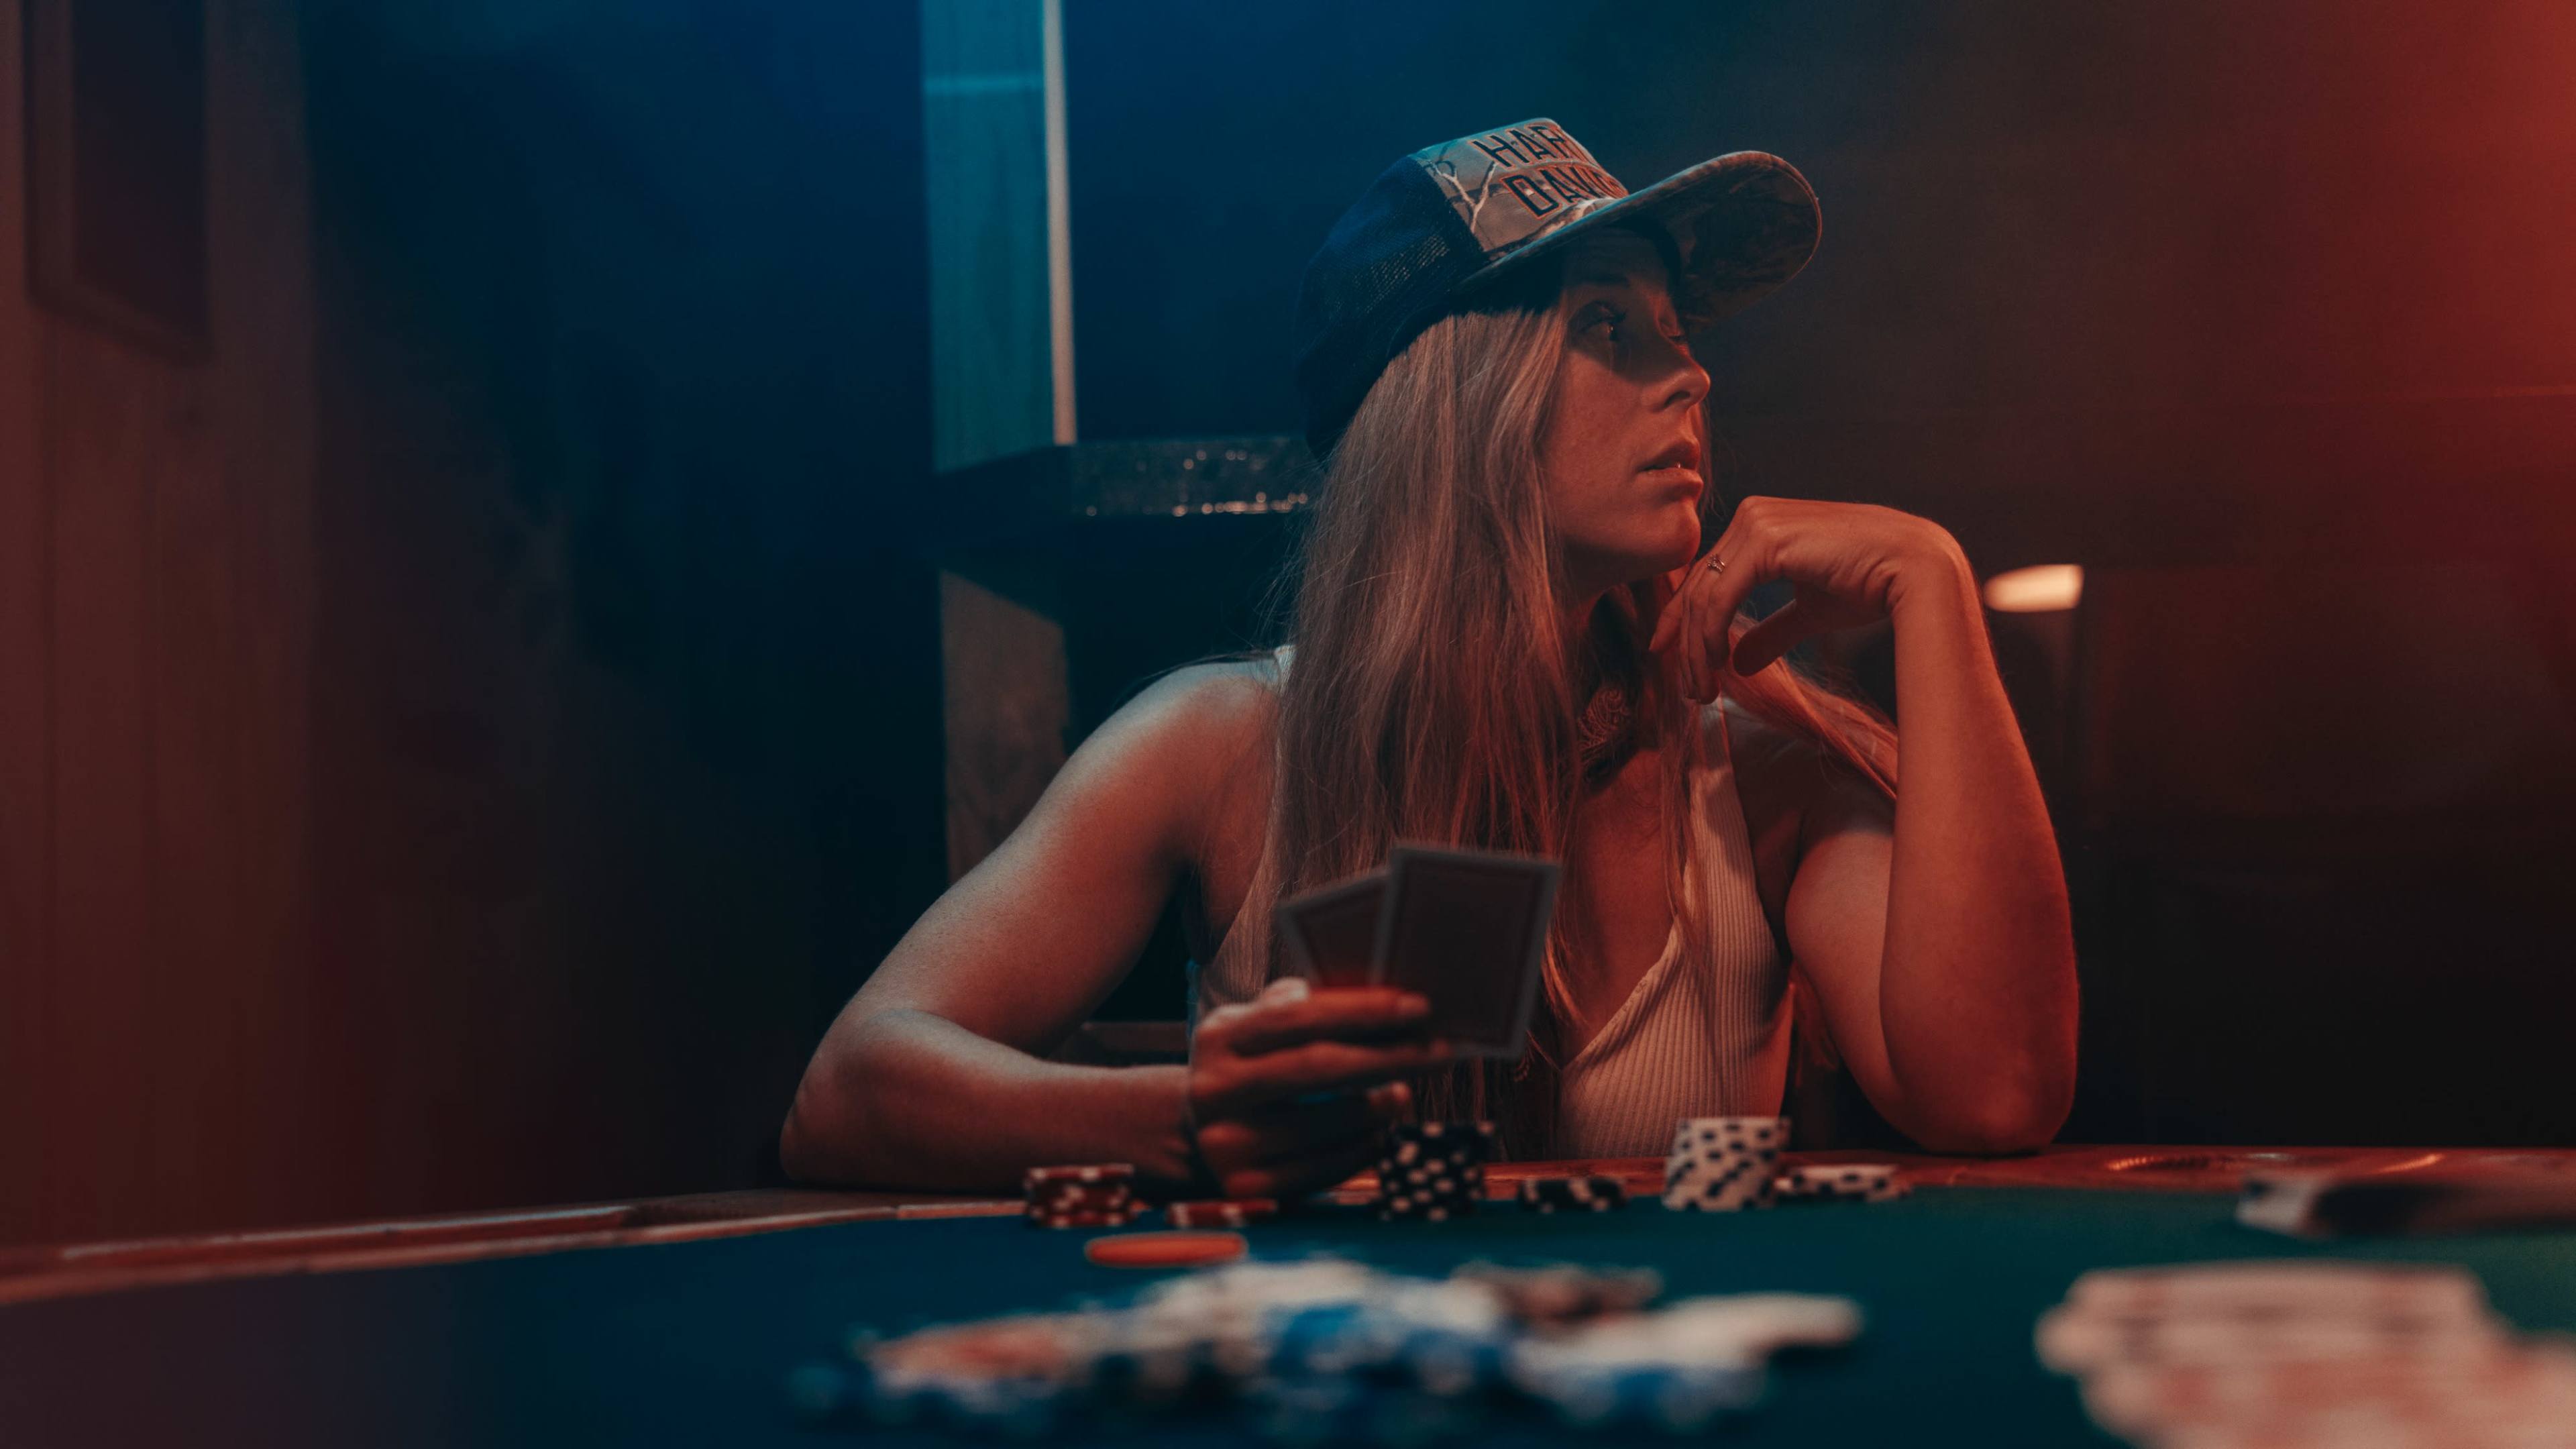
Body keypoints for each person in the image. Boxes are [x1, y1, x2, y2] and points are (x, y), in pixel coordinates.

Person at [782, 119, 2076, 1198]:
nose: (1693, 379)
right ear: (1455, 403)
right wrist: (1179, 1121)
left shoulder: (1764, 770)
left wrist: (1933, 587)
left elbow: (1997, 1097)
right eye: (1608, 326)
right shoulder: (1219, 744)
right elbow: (843, 1094)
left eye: (1677, 328)